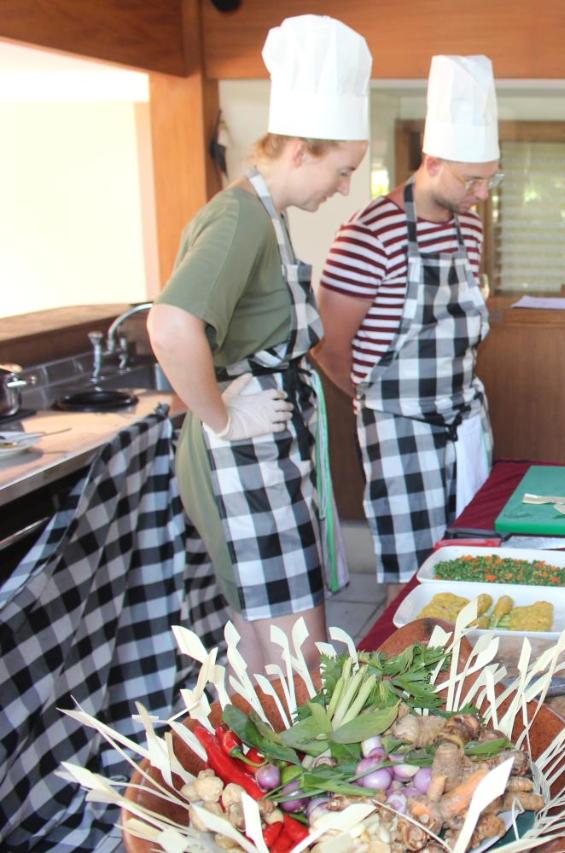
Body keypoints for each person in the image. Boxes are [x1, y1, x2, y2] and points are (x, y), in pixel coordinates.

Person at [147, 15, 371, 673]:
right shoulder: (239, 216)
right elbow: (171, 324)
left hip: (268, 456)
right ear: (300, 151)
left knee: (274, 652)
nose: (343, 187)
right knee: (292, 660)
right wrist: (222, 414)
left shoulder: (267, 214)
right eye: (342, 170)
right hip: (244, 461)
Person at [314, 56, 500, 605]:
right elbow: (328, 349)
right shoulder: (369, 234)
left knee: (474, 561)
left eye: (491, 179)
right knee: (413, 581)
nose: (482, 193)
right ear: (432, 161)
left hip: (466, 419)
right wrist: (380, 404)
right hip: (400, 430)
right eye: (472, 180)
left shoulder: (469, 226)